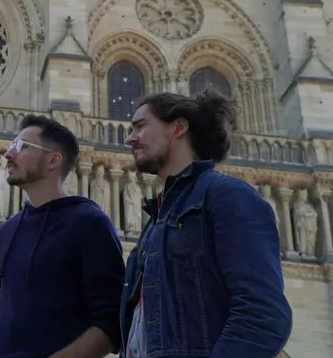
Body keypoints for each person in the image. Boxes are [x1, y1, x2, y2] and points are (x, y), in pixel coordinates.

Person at [120, 91, 291, 357]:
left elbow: (262, 314)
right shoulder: (154, 226)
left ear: (178, 127)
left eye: (140, 127)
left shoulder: (226, 195)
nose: (130, 138)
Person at [0, 115, 123, 358]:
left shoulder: (90, 224)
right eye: (12, 146)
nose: (8, 154)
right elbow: (13, 316)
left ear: (53, 160)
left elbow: (111, 322)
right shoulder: (7, 231)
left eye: (22, 147)